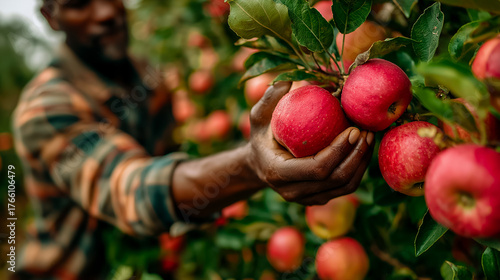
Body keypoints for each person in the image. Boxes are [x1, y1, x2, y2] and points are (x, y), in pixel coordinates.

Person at [11, 0, 374, 279]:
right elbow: (130, 188)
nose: (106, 12)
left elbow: (173, 153)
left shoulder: (146, 75)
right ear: (51, 17)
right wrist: (251, 164)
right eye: (79, 3)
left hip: (156, 257)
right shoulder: (44, 107)